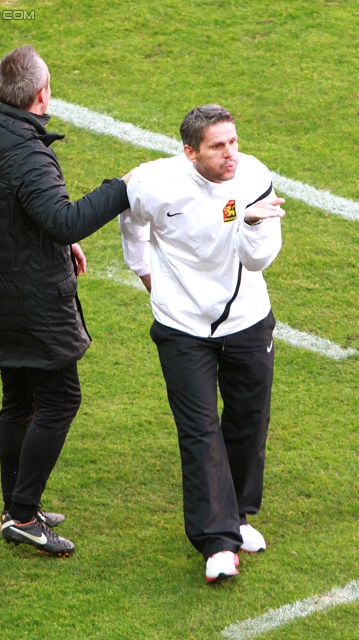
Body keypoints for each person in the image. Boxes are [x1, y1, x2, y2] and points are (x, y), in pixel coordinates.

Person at [0, 45, 132, 557]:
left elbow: (17, 211)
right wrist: (122, 188)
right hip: (29, 296)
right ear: (41, 94)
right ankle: (23, 514)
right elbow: (65, 219)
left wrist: (56, 238)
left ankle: (15, 504)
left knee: (19, 397)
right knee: (59, 399)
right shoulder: (28, 154)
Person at [119, 104, 285, 582]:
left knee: (249, 420)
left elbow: (258, 261)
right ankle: (216, 542)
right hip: (181, 327)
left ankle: (237, 517)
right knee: (199, 430)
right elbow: (132, 218)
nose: (231, 154)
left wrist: (251, 223)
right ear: (190, 152)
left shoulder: (253, 176)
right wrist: (142, 268)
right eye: (217, 146)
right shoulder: (155, 183)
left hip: (247, 320)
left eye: (233, 141)